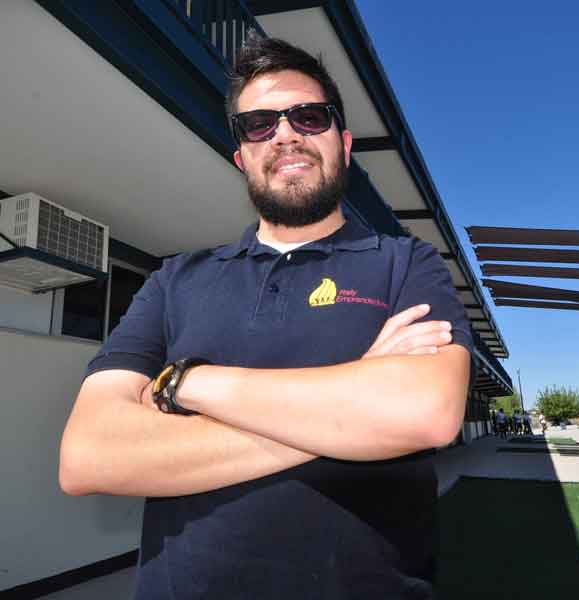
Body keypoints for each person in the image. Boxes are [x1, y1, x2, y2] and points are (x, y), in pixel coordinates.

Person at [58, 35, 472, 599]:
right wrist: (354, 407)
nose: (285, 134)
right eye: (258, 125)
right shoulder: (174, 280)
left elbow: (425, 413)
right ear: (241, 157)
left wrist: (186, 383)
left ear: (344, 142)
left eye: (309, 116)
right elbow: (88, 456)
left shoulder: (406, 263)